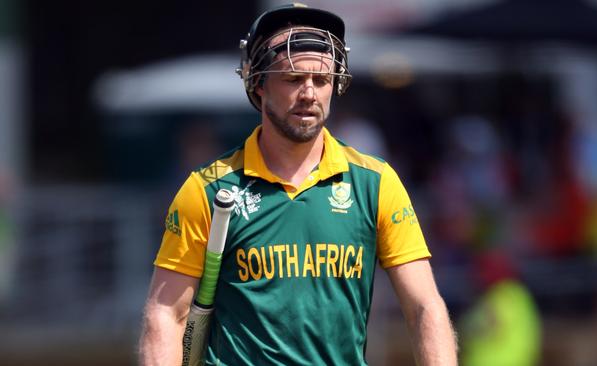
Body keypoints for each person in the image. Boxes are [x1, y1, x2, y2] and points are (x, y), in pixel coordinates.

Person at [139, 4, 457, 365]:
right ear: (258, 84)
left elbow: (424, 308)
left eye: (321, 81)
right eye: (292, 79)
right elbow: (166, 315)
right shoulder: (208, 189)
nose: (309, 93)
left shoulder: (376, 183)